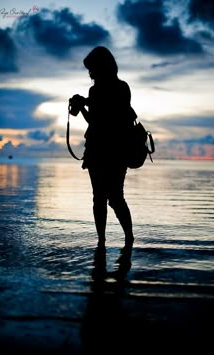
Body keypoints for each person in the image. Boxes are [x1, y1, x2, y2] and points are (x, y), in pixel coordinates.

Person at [69, 46, 136, 249]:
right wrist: (82, 108)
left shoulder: (116, 88)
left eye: (92, 69)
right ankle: (105, 241)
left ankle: (124, 239)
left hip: (111, 150)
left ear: (102, 67)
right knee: (106, 197)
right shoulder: (103, 89)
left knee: (111, 197)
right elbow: (96, 121)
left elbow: (104, 120)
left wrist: (85, 105)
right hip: (104, 150)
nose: (90, 73)